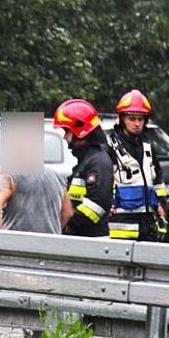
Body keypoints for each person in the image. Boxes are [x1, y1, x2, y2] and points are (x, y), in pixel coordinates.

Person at [106, 89, 168, 241]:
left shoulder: (148, 147)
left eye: (140, 119)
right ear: (122, 119)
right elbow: (107, 182)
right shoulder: (110, 148)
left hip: (148, 222)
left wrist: (161, 204)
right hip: (122, 224)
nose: (137, 124)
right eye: (132, 119)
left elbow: (158, 180)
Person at [52, 98, 112, 237]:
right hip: (82, 239)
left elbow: (96, 207)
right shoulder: (87, 161)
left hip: (93, 241)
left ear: (79, 131)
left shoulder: (99, 162)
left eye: (67, 131)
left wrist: (68, 221)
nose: (65, 137)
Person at [0, 169, 66, 234]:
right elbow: (67, 212)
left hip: (17, 245)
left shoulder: (10, 175)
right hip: (50, 246)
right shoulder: (57, 177)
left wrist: (0, 238)